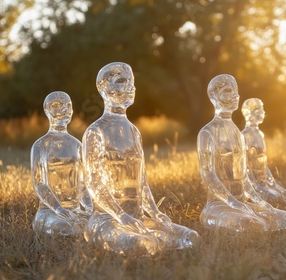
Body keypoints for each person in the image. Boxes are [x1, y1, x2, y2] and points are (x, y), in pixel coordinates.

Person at [83, 62, 198, 256]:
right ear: (103, 88)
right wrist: (122, 217)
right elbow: (94, 183)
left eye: (132, 82)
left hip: (138, 217)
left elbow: (142, 183)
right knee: (142, 244)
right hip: (107, 220)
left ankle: (150, 236)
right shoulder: (96, 131)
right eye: (121, 81)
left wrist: (155, 213)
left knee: (189, 237)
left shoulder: (133, 131)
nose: (131, 88)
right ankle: (142, 239)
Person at [197, 74, 286, 232]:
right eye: (228, 91)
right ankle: (248, 218)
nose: (235, 96)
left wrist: (260, 202)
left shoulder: (238, 133)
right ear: (213, 96)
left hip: (241, 203)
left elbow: (244, 177)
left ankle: (253, 215)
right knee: (253, 224)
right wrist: (233, 203)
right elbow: (208, 176)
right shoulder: (207, 132)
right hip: (219, 207)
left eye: (236, 91)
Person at [31, 91, 93, 236]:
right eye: (57, 106)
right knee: (62, 226)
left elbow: (83, 185)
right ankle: (69, 226)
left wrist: (90, 208)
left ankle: (79, 225)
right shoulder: (40, 146)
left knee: (95, 222)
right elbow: (40, 185)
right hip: (49, 211)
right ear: (47, 110)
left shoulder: (77, 145)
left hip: (75, 210)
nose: (64, 110)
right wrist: (59, 210)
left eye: (68, 106)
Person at [241, 98, 286, 206]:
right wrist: (256, 187)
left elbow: (263, 166)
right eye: (257, 109)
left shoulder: (260, 134)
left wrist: (274, 185)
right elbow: (244, 169)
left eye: (262, 109)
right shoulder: (244, 136)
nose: (262, 112)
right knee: (277, 199)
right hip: (254, 187)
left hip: (265, 184)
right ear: (246, 112)